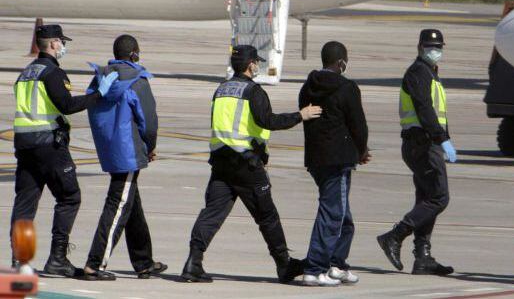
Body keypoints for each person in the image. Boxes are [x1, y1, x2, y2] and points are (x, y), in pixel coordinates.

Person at [181, 45, 322, 284]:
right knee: (267, 217)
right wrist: (301, 115)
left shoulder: (221, 89)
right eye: (256, 61)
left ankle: (193, 262)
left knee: (211, 214)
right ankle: (284, 265)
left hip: (221, 165)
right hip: (246, 166)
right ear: (250, 65)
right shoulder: (253, 92)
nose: (258, 65)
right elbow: (268, 121)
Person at [10, 24, 118, 277]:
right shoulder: (53, 73)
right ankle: (57, 258)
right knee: (69, 197)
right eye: (62, 42)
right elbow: (67, 105)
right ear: (53, 43)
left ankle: (19, 260)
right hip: (49, 145)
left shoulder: (25, 73)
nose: (64, 46)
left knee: (25, 205)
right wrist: (98, 94)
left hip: (24, 145)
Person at [81, 35, 167, 280]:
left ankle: (144, 261)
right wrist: (149, 147)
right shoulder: (137, 80)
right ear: (134, 54)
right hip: (128, 151)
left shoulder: (101, 77)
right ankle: (95, 263)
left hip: (110, 149)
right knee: (118, 205)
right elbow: (149, 122)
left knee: (131, 204)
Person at [377, 29, 455, 276]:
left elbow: (436, 112)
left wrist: (445, 139)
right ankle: (395, 235)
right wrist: (442, 140)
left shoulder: (430, 73)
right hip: (422, 143)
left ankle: (423, 257)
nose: (436, 51)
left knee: (426, 199)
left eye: (439, 46)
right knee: (439, 198)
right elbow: (424, 108)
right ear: (420, 47)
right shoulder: (418, 73)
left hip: (425, 142)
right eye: (432, 46)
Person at [298, 41, 371, 286]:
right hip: (337, 159)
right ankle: (315, 267)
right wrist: (361, 150)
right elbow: (358, 124)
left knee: (343, 215)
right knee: (332, 213)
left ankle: (337, 263)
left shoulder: (308, 87)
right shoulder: (347, 88)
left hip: (317, 157)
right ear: (341, 62)